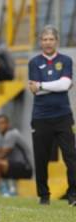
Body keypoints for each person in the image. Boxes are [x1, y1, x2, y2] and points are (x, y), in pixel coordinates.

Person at [28, 25, 76, 206]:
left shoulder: (66, 60)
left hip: (63, 116)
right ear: (41, 42)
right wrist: (51, 86)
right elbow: (34, 90)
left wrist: (41, 85)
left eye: (51, 39)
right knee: (41, 158)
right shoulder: (34, 62)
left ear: (57, 41)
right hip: (40, 117)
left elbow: (65, 84)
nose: (48, 42)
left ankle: (73, 195)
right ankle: (44, 196)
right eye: (45, 39)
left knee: (71, 156)